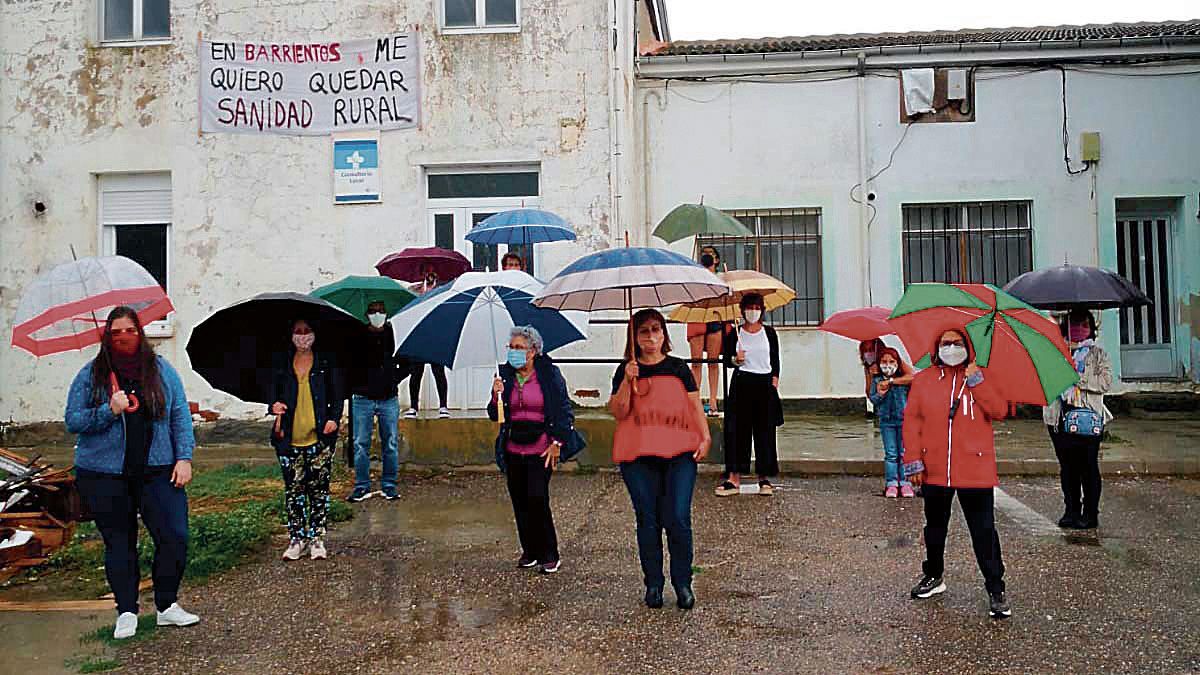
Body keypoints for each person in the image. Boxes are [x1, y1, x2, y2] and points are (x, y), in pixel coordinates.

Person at [65, 306, 199, 640]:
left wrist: (184, 458)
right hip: (104, 475)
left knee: (174, 536)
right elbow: (74, 420)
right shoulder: (91, 375)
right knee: (120, 542)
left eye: (130, 330)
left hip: (158, 470)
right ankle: (127, 610)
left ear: (140, 333)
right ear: (106, 336)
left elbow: (180, 416)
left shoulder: (161, 371)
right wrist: (108, 410)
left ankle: (166, 606)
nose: (124, 337)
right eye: (115, 332)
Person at [904, 328, 1011, 619]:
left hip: (974, 470)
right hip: (934, 469)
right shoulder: (924, 379)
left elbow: (999, 410)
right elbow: (912, 420)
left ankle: (995, 588)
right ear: (936, 347)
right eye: (945, 343)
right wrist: (912, 460)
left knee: (984, 531)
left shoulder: (981, 376)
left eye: (957, 343)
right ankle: (934, 575)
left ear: (968, 346)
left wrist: (977, 381)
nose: (951, 348)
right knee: (934, 528)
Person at [610, 309, 711, 610]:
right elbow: (618, 412)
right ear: (635, 338)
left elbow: (695, 406)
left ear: (664, 334)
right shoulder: (625, 370)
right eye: (644, 331)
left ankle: (683, 581)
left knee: (678, 517)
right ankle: (653, 583)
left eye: (656, 330)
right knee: (648, 520)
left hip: (679, 454)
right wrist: (628, 381)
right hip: (638, 457)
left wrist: (705, 436)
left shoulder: (678, 368)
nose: (651, 337)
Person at [487, 326, 585, 575]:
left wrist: (557, 443)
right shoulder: (505, 376)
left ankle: (549, 553)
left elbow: (563, 411)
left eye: (519, 348)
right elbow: (495, 416)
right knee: (519, 500)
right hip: (513, 447)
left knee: (537, 499)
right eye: (511, 347)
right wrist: (495, 396)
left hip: (540, 448)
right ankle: (530, 550)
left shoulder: (549, 375)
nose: (513, 352)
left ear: (533, 351)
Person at [269, 319, 344, 561]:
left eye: (307, 331)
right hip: (289, 439)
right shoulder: (281, 362)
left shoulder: (325, 361)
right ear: (291, 335)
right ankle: (296, 538)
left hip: (319, 438)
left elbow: (337, 392)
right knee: (294, 491)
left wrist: (334, 418)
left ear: (315, 334)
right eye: (298, 332)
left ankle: (317, 538)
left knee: (319, 490)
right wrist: (273, 405)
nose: (303, 337)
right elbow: (271, 392)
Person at [1043, 309, 1113, 529]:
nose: (1079, 328)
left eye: (1084, 324)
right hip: (1059, 418)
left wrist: (1078, 379)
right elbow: (1045, 380)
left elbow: (1105, 382)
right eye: (1074, 323)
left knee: (1088, 467)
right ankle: (1071, 510)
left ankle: (1090, 513)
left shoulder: (1097, 353)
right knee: (1068, 467)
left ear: (1091, 327)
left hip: (1088, 418)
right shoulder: (1056, 351)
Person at [714, 293, 782, 497]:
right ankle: (733, 478)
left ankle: (764, 477)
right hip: (742, 382)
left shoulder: (769, 333)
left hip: (764, 384)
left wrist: (775, 379)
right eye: (749, 307)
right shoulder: (735, 334)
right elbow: (725, 360)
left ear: (762, 310)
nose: (753, 311)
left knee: (765, 432)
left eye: (756, 307)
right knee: (737, 432)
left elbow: (775, 359)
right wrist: (736, 359)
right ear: (742, 310)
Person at [346, 301, 409, 503]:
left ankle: (389, 484)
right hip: (362, 399)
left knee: (390, 443)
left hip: (388, 398)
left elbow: (407, 362)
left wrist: (393, 377)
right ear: (366, 314)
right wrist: (357, 383)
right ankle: (361, 486)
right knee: (360, 444)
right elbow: (348, 363)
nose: (377, 314)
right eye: (373, 311)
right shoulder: (356, 336)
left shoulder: (395, 334)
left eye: (381, 311)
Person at [869, 347, 916, 498]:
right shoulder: (877, 380)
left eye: (891, 361)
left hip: (904, 420)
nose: (887, 365)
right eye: (884, 361)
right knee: (891, 454)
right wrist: (880, 394)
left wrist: (891, 382)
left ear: (897, 363)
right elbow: (874, 400)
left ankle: (905, 483)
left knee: (903, 453)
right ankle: (891, 484)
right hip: (886, 422)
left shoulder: (903, 380)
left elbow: (914, 380)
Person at [686, 245, 726, 417]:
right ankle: (695, 400)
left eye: (710, 254)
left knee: (713, 362)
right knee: (696, 362)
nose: (707, 257)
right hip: (697, 318)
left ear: (716, 259)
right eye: (704, 254)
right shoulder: (694, 276)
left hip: (715, 318)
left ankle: (713, 401)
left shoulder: (721, 277)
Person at [406, 264, 450, 419]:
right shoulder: (413, 290)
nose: (430, 274)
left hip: (435, 336)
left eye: (433, 270)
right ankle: (413, 406)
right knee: (416, 373)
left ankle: (443, 406)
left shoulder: (444, 289)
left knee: (439, 372)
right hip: (418, 335)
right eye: (426, 271)